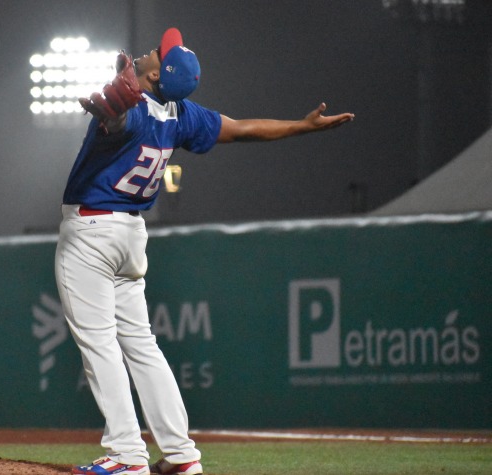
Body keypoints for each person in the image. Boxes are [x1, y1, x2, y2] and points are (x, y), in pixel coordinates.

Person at [55, 28, 354, 475]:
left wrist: (111, 117)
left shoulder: (133, 111)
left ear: (157, 73)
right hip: (130, 238)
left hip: (92, 231)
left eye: (159, 51)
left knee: (100, 345)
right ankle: (180, 455)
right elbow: (244, 129)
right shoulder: (180, 115)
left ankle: (126, 454)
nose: (152, 49)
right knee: (141, 346)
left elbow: (120, 122)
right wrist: (300, 127)